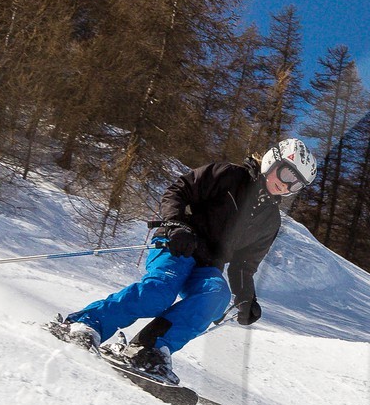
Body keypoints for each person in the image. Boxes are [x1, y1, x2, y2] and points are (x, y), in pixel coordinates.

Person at [51, 138, 317, 382]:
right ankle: (86, 323)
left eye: (295, 184)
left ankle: (148, 349)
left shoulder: (270, 221)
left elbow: (244, 265)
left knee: (216, 296)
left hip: (208, 264)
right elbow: (180, 190)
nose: (286, 185)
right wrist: (177, 224)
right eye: (286, 174)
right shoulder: (229, 176)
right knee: (159, 292)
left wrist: (247, 298)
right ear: (273, 160)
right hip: (179, 244)